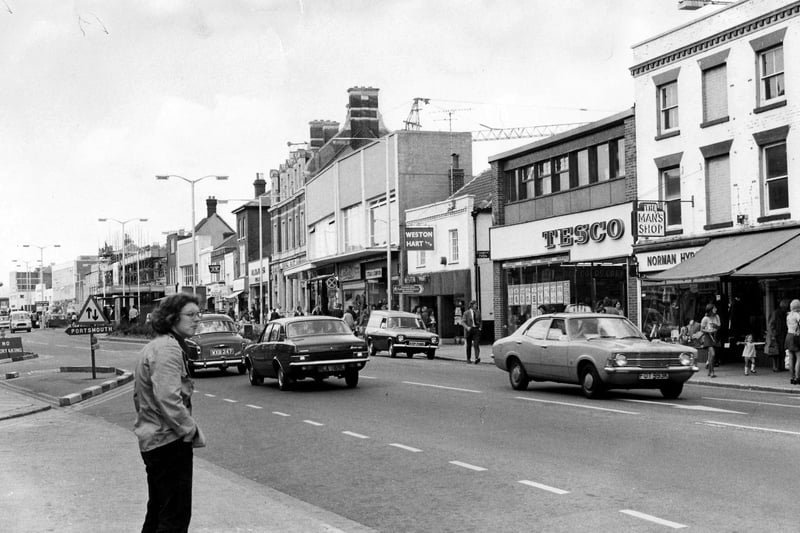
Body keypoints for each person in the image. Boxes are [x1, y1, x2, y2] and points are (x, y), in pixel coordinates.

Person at [133, 293, 206, 532]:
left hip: (154, 440)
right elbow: (169, 398)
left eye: (198, 314)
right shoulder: (168, 349)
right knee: (174, 516)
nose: (197, 320)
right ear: (173, 318)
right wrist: (190, 430)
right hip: (169, 442)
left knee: (158, 511)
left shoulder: (155, 346)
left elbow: (139, 397)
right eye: (190, 315)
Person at [767, 299, 789, 372]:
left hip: (781, 335)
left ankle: (780, 366)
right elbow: (771, 325)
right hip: (777, 335)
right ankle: (775, 367)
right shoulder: (776, 313)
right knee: (776, 352)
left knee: (781, 351)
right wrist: (773, 334)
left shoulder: (782, 313)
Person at [701, 303, 721, 378]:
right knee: (712, 354)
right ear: (710, 310)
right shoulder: (705, 318)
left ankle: (710, 371)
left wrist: (715, 326)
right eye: (714, 308)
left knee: (710, 355)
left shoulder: (717, 316)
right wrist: (708, 331)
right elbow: (701, 329)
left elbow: (719, 326)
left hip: (715, 336)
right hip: (708, 337)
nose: (716, 309)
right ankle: (712, 371)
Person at [461, 300, 482, 364]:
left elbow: (480, 320)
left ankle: (476, 358)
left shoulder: (478, 312)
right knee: (469, 345)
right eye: (475, 304)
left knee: (476, 344)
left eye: (476, 304)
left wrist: (480, 327)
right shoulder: (466, 313)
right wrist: (467, 327)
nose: (476, 305)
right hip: (469, 329)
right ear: (472, 305)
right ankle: (468, 359)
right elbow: (463, 322)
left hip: (476, 329)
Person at [785, 299, 800, 384]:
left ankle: (792, 377)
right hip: (796, 337)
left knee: (790, 357)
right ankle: (797, 377)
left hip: (788, 336)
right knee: (799, 357)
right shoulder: (797, 315)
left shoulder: (788, 315)